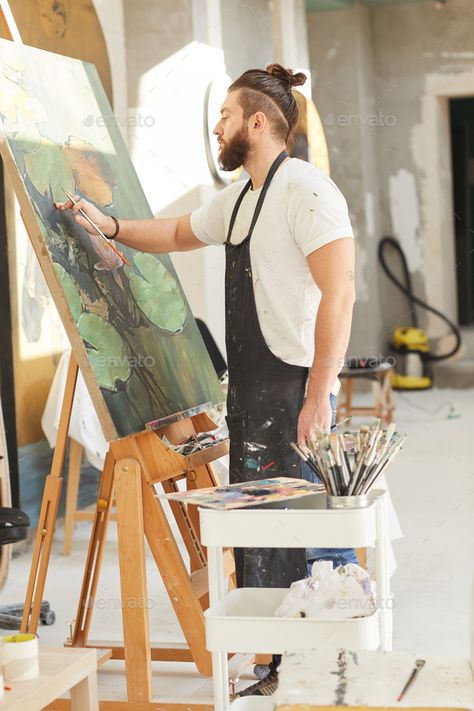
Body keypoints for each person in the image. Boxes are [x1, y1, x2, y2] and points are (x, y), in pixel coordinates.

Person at [56, 63, 358, 697]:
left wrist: (318, 394)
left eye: (224, 116)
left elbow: (341, 292)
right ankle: (277, 664)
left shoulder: (306, 190)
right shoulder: (242, 198)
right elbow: (171, 232)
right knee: (260, 535)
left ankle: (330, 672)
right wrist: (109, 227)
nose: (216, 127)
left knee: (306, 530)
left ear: (257, 121)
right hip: (251, 395)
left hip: (295, 390)